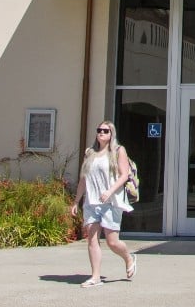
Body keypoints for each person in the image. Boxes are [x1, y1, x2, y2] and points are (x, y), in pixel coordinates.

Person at [70, 120, 137, 287]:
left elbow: (124, 175)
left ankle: (129, 257)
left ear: (111, 134)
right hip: (91, 202)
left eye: (105, 131)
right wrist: (76, 201)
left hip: (111, 202)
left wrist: (109, 191)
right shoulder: (90, 152)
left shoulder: (118, 151)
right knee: (92, 239)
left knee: (112, 241)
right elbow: (83, 179)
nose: (101, 133)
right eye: (99, 130)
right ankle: (95, 277)